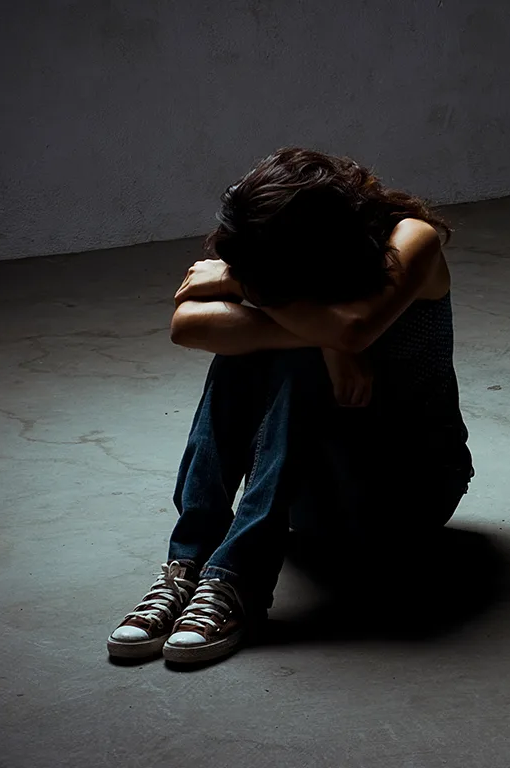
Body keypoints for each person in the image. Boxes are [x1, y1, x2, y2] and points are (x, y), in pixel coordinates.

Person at [107, 148, 474, 665]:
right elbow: (187, 325)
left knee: (289, 356)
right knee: (259, 354)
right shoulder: (286, 260)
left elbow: (352, 327)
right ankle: (187, 565)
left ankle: (238, 585)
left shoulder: (412, 238)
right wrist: (320, 342)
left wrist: (242, 285)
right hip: (311, 489)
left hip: (405, 492)